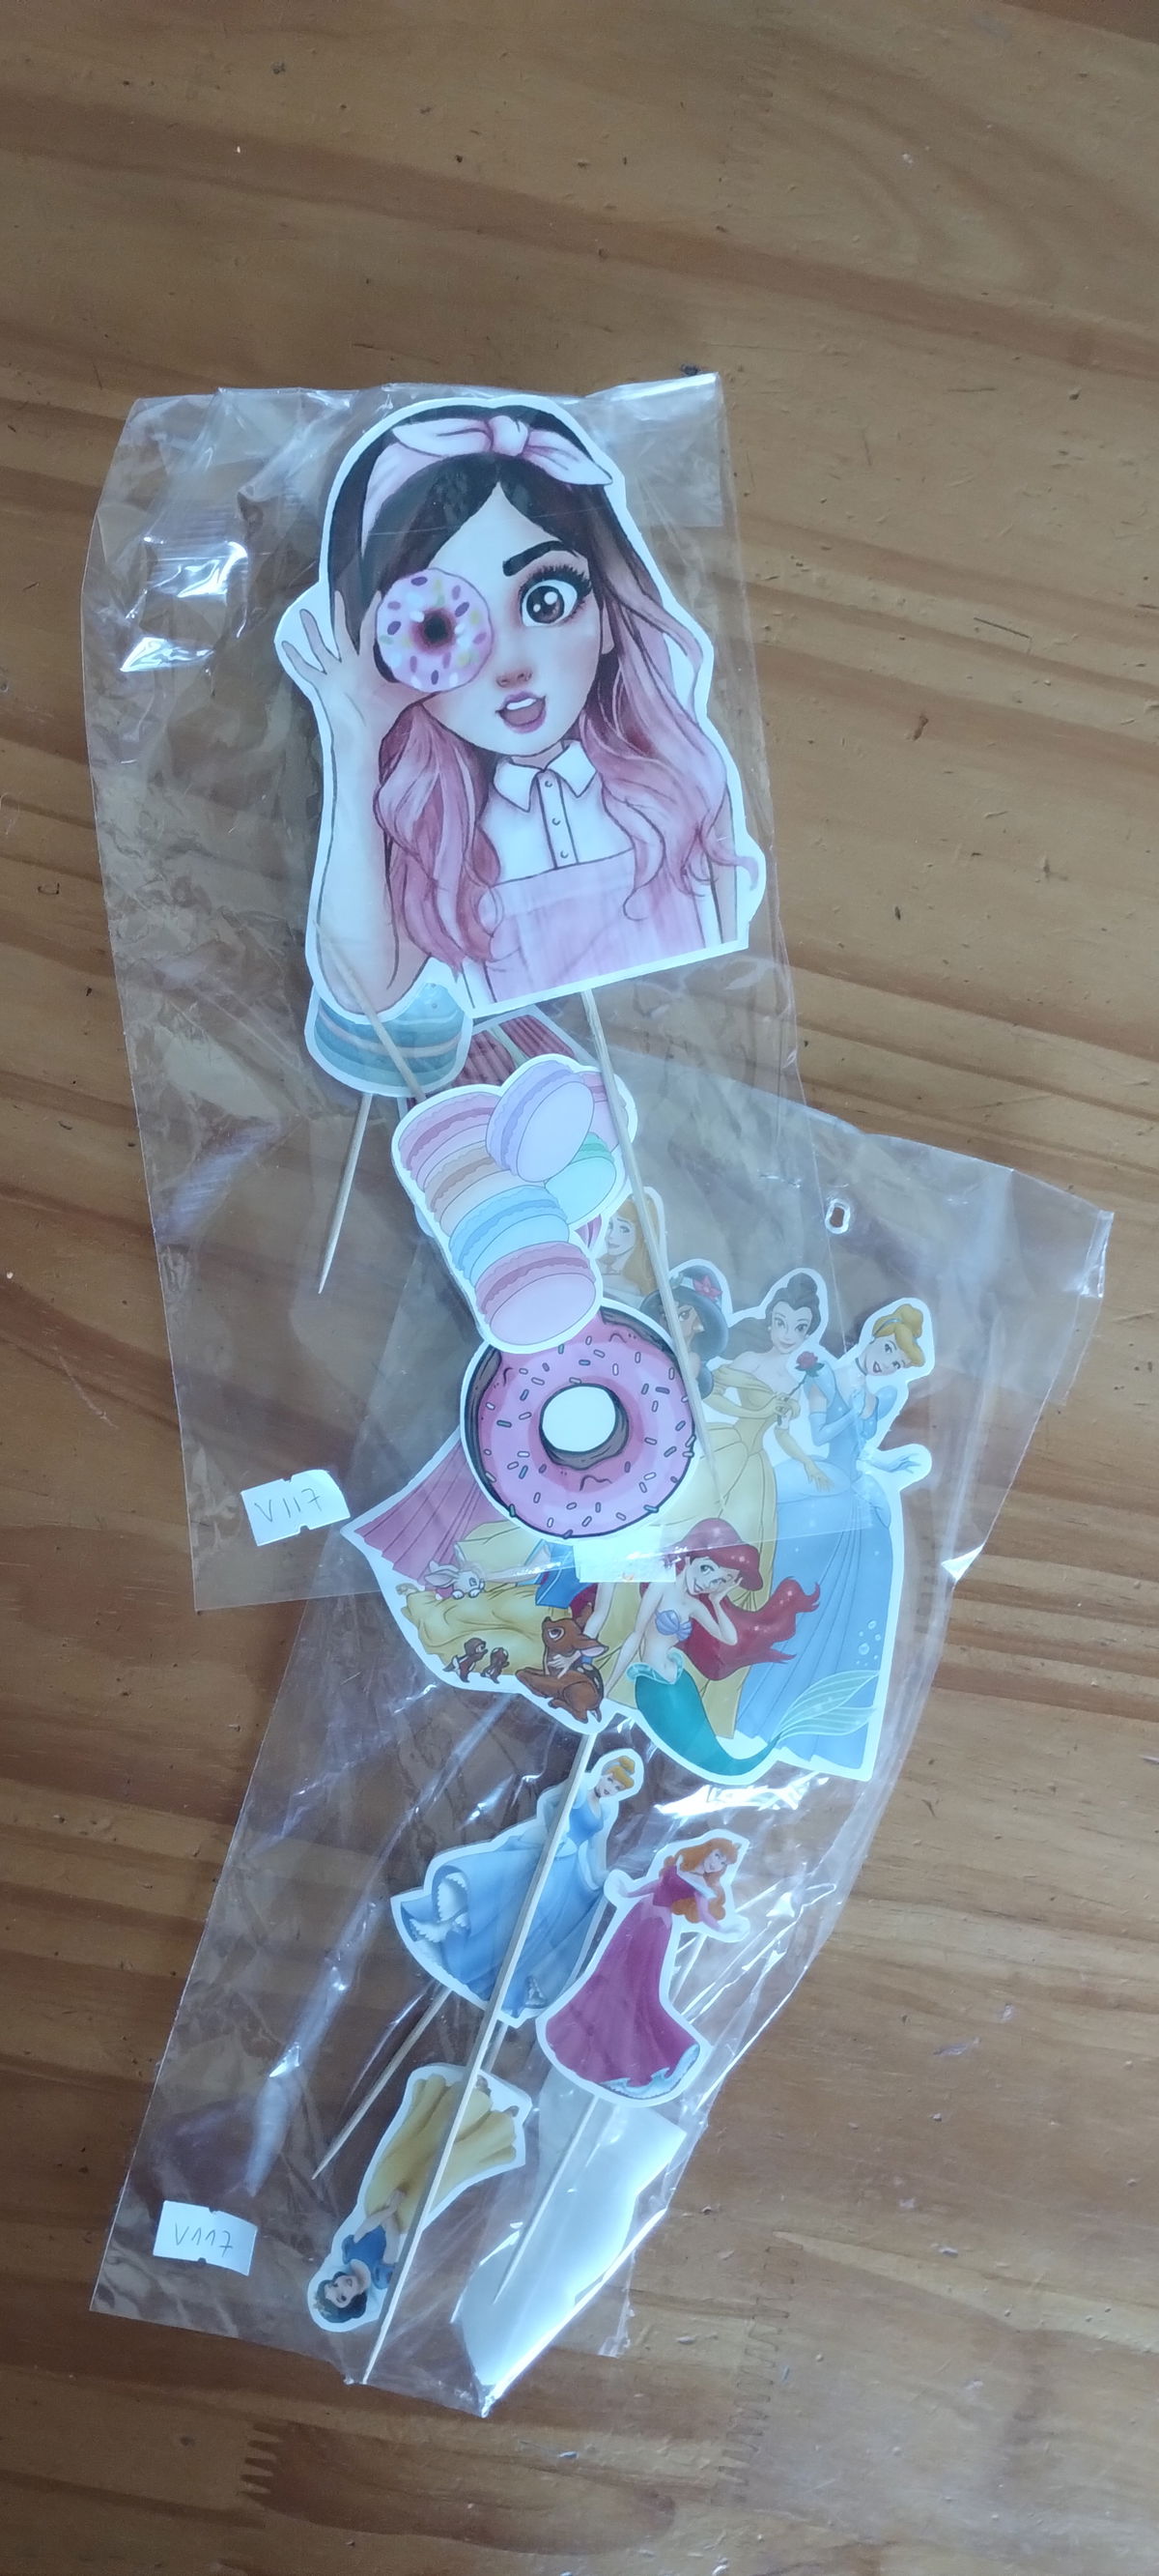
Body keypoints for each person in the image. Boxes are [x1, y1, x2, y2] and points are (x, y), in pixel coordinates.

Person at [278, 398, 764, 1092]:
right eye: (444, 626)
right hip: (512, 1097)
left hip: (689, 1077)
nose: (510, 666)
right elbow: (364, 990)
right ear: (388, 647)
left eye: (546, 601)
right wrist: (354, 742)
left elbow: (727, 975)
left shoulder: (680, 786)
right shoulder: (439, 839)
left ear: (607, 613)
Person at [733, 1302, 932, 1772]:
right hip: (822, 1470)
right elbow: (822, 1436)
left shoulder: (884, 1394)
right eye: (888, 1350)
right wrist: (851, 1412)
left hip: (853, 1480)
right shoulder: (825, 1374)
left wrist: (893, 1464)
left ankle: (810, 1701)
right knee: (762, 1508)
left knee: (868, 1560)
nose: (889, 1364)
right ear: (873, 1338)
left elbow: (864, 1448)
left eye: (898, 1361)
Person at [392, 1751, 641, 2021]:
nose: (610, 1788)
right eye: (610, 1780)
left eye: (617, 1788)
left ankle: (491, 1971)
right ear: (604, 1773)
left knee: (537, 1920)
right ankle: (454, 1935)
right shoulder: (579, 1791)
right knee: (506, 1896)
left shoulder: (605, 1813)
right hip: (549, 1853)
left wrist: (602, 1877)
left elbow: (595, 1849)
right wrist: (558, 1831)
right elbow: (549, 1805)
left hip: (567, 1869)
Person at [597, 1519, 818, 1778]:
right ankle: (724, 1769)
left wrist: (715, 1601)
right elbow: (635, 1637)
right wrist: (606, 1689)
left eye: (721, 1580)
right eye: (706, 1568)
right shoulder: (662, 1586)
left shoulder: (695, 1605)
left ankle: (729, 1768)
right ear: (690, 1556)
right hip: (653, 1684)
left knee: (702, 1746)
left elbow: (729, 1638)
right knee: (689, 1748)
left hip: (679, 1681)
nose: (708, 1583)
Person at [311, 2069, 523, 2328]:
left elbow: (365, 2225)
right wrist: (393, 2211)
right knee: (448, 2166)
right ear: (354, 2302)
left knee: (419, 2143)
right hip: (405, 2212)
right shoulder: (379, 2276)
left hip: (377, 2199)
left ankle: (471, 2095)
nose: (341, 2285)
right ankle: (499, 2124)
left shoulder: (349, 2254)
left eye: (333, 2285)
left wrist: (386, 2210)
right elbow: (392, 2242)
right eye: (342, 2296)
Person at [541, 1837, 744, 2100]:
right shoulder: (679, 1866)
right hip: (636, 1918)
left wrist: (724, 1930)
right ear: (706, 1850)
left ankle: (669, 2053)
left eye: (723, 1862)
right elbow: (655, 1885)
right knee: (607, 1977)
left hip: (654, 1929)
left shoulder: (701, 1886)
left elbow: (704, 1914)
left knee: (636, 1992)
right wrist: (628, 1894)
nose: (717, 1864)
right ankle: (593, 2040)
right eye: (717, 1855)